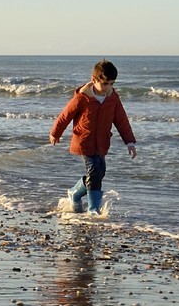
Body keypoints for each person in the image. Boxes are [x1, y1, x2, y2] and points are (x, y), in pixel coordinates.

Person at [49, 59, 137, 214]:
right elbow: (65, 116)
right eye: (104, 83)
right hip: (84, 141)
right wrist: (55, 133)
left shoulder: (113, 99)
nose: (108, 87)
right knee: (94, 170)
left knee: (100, 172)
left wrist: (129, 141)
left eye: (111, 84)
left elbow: (121, 120)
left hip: (102, 143)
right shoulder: (82, 98)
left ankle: (75, 193)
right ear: (94, 80)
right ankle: (93, 209)